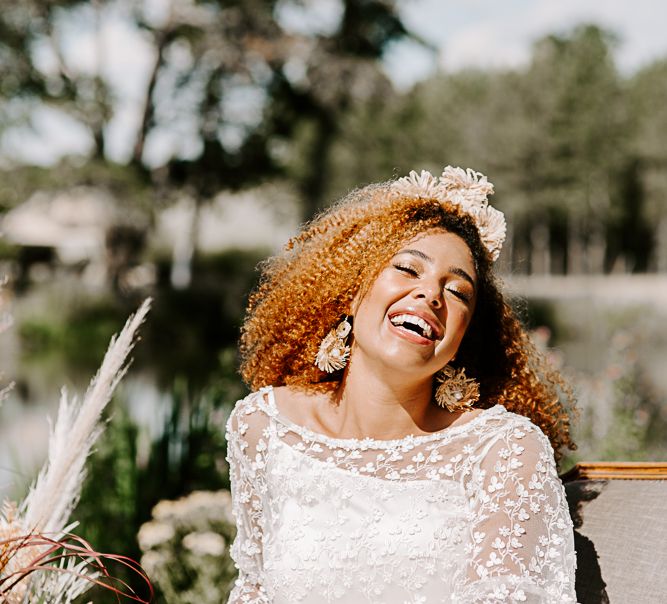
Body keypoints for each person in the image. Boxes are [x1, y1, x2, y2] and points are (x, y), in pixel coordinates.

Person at [225, 167, 578, 604]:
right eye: (409, 269)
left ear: (463, 337)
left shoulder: (503, 452)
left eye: (458, 292)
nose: (431, 294)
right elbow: (254, 588)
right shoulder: (264, 426)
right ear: (352, 292)